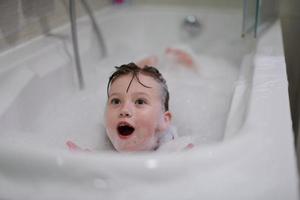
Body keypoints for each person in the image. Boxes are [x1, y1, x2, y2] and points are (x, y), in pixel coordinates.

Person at [67, 47, 196, 152]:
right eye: (116, 101)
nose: (124, 110)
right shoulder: (103, 138)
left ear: (164, 120)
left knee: (183, 79)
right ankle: (140, 69)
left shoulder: (169, 147)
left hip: (172, 108)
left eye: (140, 102)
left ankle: (188, 68)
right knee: (133, 82)